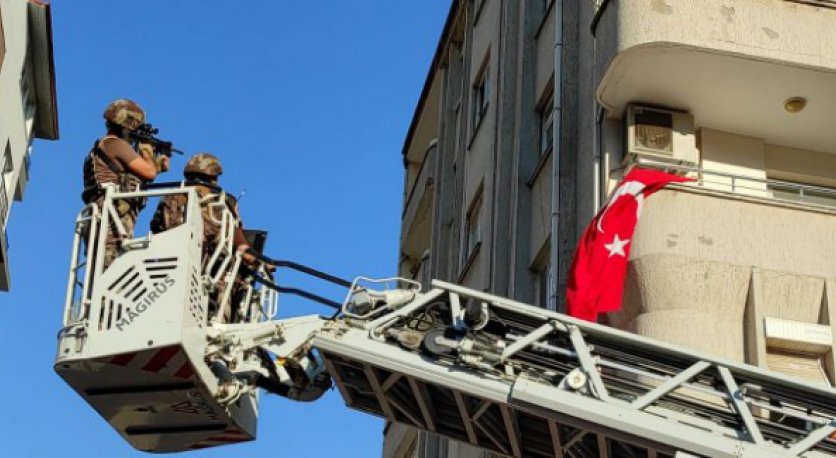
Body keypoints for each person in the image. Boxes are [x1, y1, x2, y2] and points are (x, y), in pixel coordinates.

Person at [150, 153, 257, 321]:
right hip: (214, 275)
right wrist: (260, 261)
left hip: (171, 273)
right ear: (214, 176)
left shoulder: (172, 196)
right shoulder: (221, 201)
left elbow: (157, 228)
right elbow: (242, 246)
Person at [82, 99, 169, 268]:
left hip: (103, 215)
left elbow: (135, 173)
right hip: (112, 218)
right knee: (112, 272)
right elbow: (148, 172)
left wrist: (157, 166)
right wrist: (146, 149)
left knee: (103, 271)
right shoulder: (115, 144)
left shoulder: (103, 146)